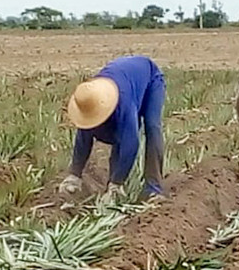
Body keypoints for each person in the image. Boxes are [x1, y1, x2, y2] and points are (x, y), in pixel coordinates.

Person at [59, 55, 165, 202]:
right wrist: (74, 175)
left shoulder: (122, 104)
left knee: (152, 127)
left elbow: (131, 145)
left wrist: (117, 183)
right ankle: (111, 183)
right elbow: (83, 138)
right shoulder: (89, 98)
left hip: (150, 79)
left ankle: (153, 189)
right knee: (115, 132)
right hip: (124, 79)